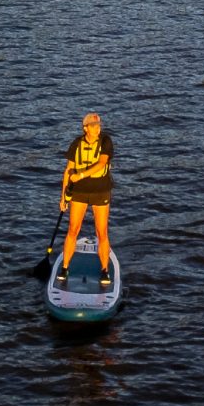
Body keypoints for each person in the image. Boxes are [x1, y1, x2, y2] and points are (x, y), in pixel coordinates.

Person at [57, 111, 116, 283]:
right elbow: (68, 171)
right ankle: (65, 267)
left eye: (98, 125)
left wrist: (81, 175)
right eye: (93, 126)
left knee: (101, 231)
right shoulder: (76, 143)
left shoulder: (105, 141)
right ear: (85, 128)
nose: (97, 129)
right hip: (79, 192)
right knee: (73, 230)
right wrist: (63, 197)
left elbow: (102, 163)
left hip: (101, 191)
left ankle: (105, 270)